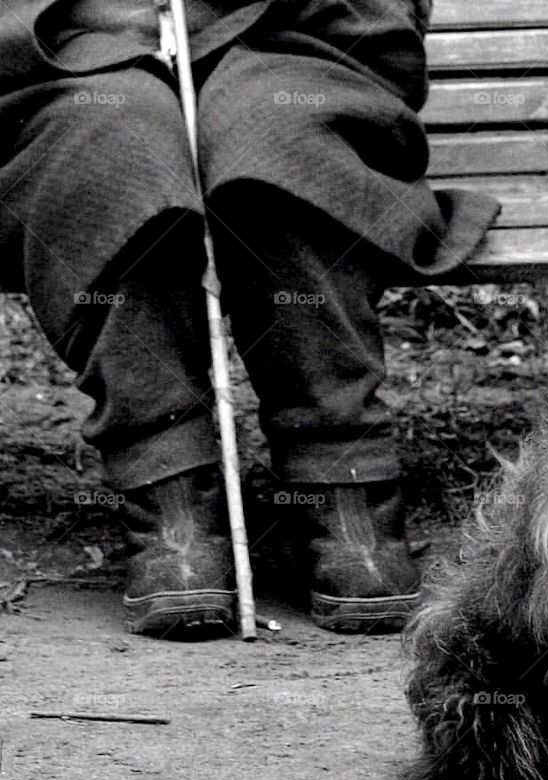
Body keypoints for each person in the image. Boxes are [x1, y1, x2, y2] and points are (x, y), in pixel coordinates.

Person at [0, 0, 499, 637]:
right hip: (63, 73)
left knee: (275, 140)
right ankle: (170, 500)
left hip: (292, 41)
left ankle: (344, 489)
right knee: (112, 145)